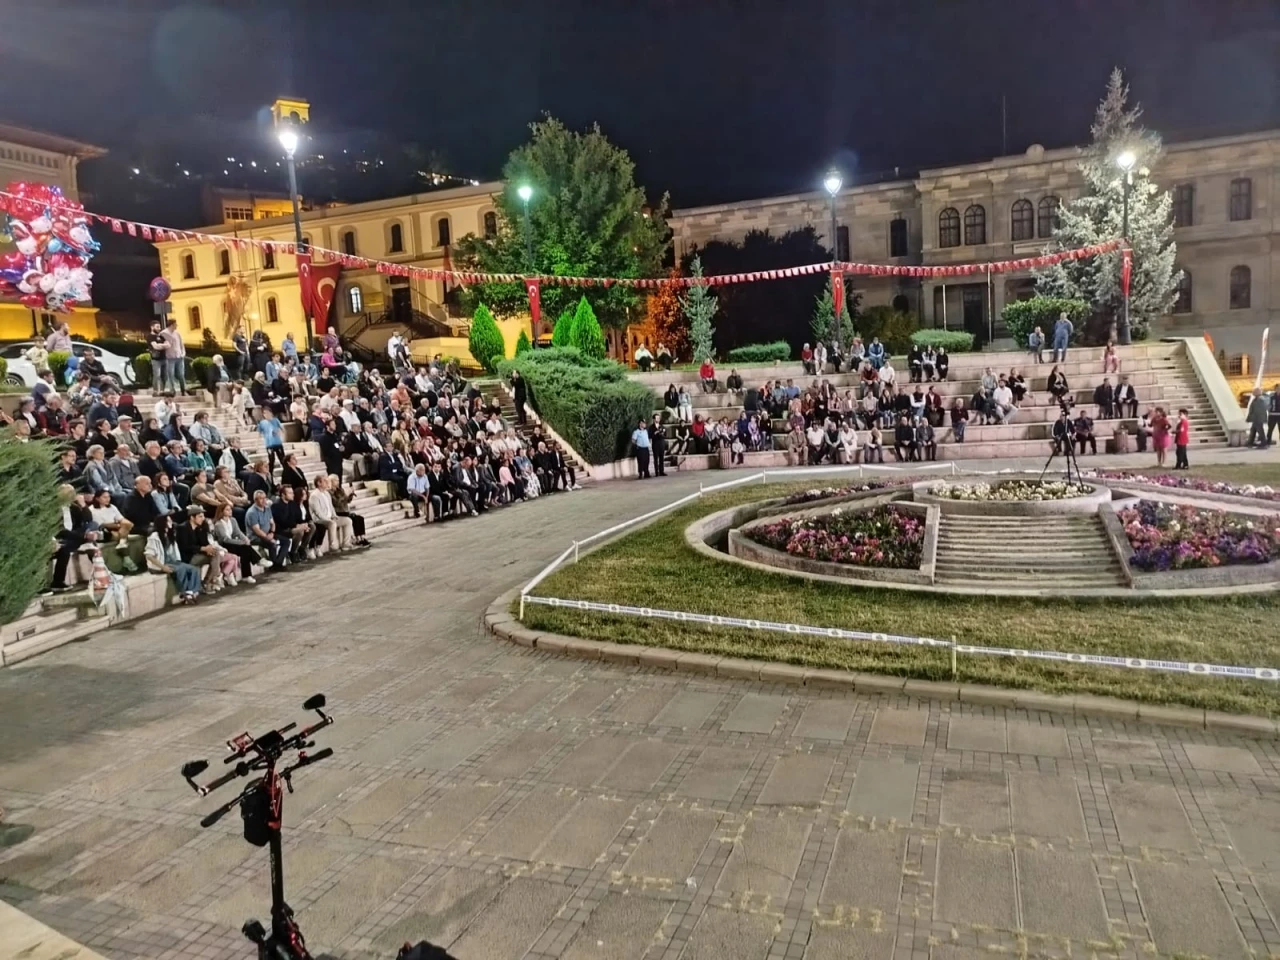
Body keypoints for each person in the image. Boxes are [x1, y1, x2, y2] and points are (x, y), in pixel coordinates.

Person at [146, 514, 201, 603]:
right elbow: (149, 555)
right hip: (160, 564)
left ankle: (190, 592)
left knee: (193, 569)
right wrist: (163, 567)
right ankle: (185, 593)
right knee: (181, 569)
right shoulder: (154, 537)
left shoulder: (170, 535)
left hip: (173, 561)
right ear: (162, 523)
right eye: (168, 521)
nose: (171, 522)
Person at [245, 489, 289, 571]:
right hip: (256, 537)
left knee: (286, 541)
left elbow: (272, 523)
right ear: (255, 500)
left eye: (265, 498)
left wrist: (272, 533)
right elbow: (257, 531)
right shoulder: (252, 513)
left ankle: (277, 563)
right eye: (261, 498)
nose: (264, 500)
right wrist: (268, 538)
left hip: (268, 533)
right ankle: (276, 565)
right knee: (272, 544)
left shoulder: (267, 508)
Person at [272, 484, 315, 562]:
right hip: (281, 530)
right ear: (283, 495)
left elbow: (295, 518)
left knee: (311, 527)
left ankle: (301, 548)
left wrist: (302, 524)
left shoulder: (291, 504)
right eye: (290, 493)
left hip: (290, 526)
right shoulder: (277, 505)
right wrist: (297, 526)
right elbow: (282, 522)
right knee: (300, 531)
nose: (293, 495)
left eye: (292, 493)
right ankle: (293, 552)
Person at [311, 476, 354, 548]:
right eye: (324, 481)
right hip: (320, 519)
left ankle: (346, 543)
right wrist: (328, 519)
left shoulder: (326, 493)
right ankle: (332, 546)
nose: (327, 482)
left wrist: (334, 516)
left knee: (348, 520)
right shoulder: (314, 495)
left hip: (330, 517)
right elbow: (317, 512)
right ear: (319, 483)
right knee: (332, 523)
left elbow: (331, 507)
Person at [256, 407, 287, 476]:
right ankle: (271, 476)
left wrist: (282, 436)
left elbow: (282, 429)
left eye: (268, 412)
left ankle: (287, 474)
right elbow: (259, 433)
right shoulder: (262, 423)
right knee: (271, 460)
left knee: (283, 459)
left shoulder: (275, 420)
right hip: (269, 444)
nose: (266, 414)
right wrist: (257, 444)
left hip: (278, 443)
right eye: (264, 413)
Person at [163, 318, 188, 394]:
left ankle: (183, 390)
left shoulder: (177, 333)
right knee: (171, 374)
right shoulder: (163, 333)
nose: (176, 325)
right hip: (170, 358)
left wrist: (183, 353)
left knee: (181, 374)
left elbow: (181, 344)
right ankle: (172, 390)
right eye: (175, 324)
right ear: (171, 325)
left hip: (179, 357)